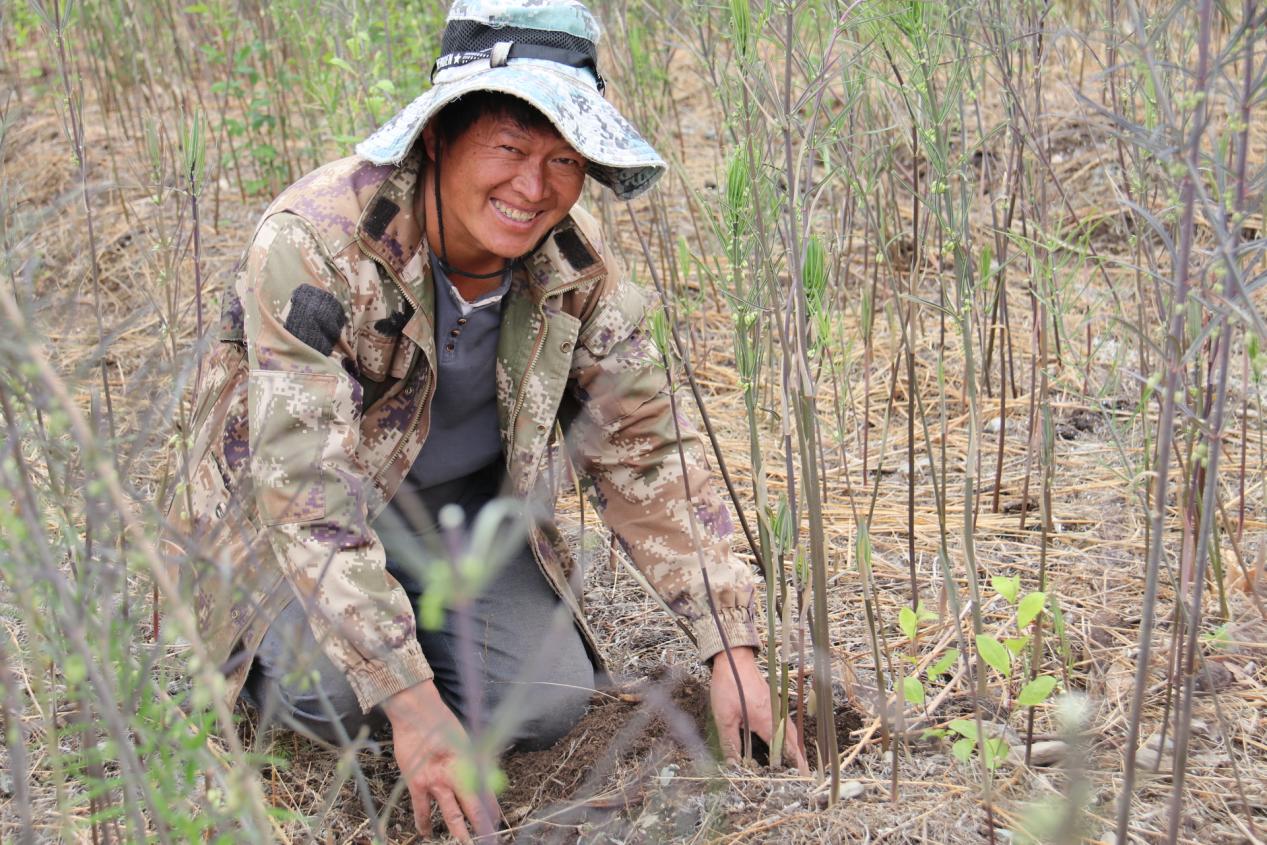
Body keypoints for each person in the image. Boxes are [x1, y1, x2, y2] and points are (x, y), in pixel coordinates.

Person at [164, 0, 804, 839]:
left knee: (546, 703)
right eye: (507, 148)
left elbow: (646, 450)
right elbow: (307, 497)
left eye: (563, 159)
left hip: (456, 527)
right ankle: (272, 648)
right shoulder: (315, 245)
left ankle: (411, 642)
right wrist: (412, 705)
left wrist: (731, 648)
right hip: (288, 532)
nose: (533, 189)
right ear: (437, 137)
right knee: (331, 695)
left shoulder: (573, 262)